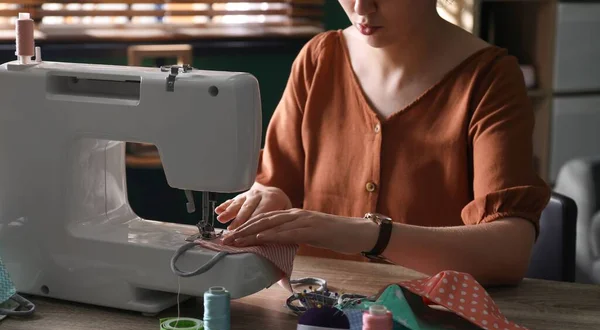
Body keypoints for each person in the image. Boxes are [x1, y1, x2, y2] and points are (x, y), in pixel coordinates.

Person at [214, 0, 551, 286]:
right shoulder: (318, 60)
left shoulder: (490, 80)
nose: (361, 8)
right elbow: (277, 183)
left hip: (433, 329)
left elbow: (510, 251)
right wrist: (269, 196)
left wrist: (372, 235)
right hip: (316, 313)